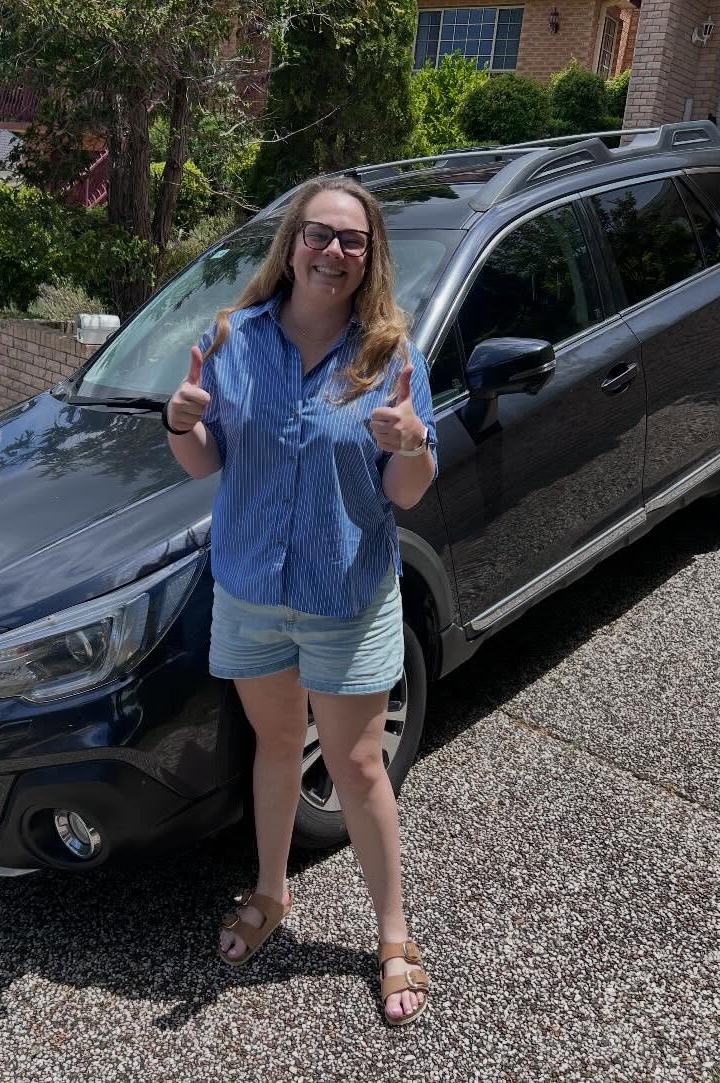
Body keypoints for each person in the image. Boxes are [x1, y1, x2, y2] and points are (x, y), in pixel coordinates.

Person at [163, 176, 438, 1027]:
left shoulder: (390, 355)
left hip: (345, 595)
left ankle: (393, 934)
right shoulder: (233, 340)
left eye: (352, 241)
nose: (334, 252)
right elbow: (205, 464)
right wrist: (183, 422)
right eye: (320, 234)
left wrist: (414, 441)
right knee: (278, 746)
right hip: (251, 591)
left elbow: (408, 493)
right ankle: (272, 891)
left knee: (356, 767)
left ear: (369, 257)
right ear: (293, 242)